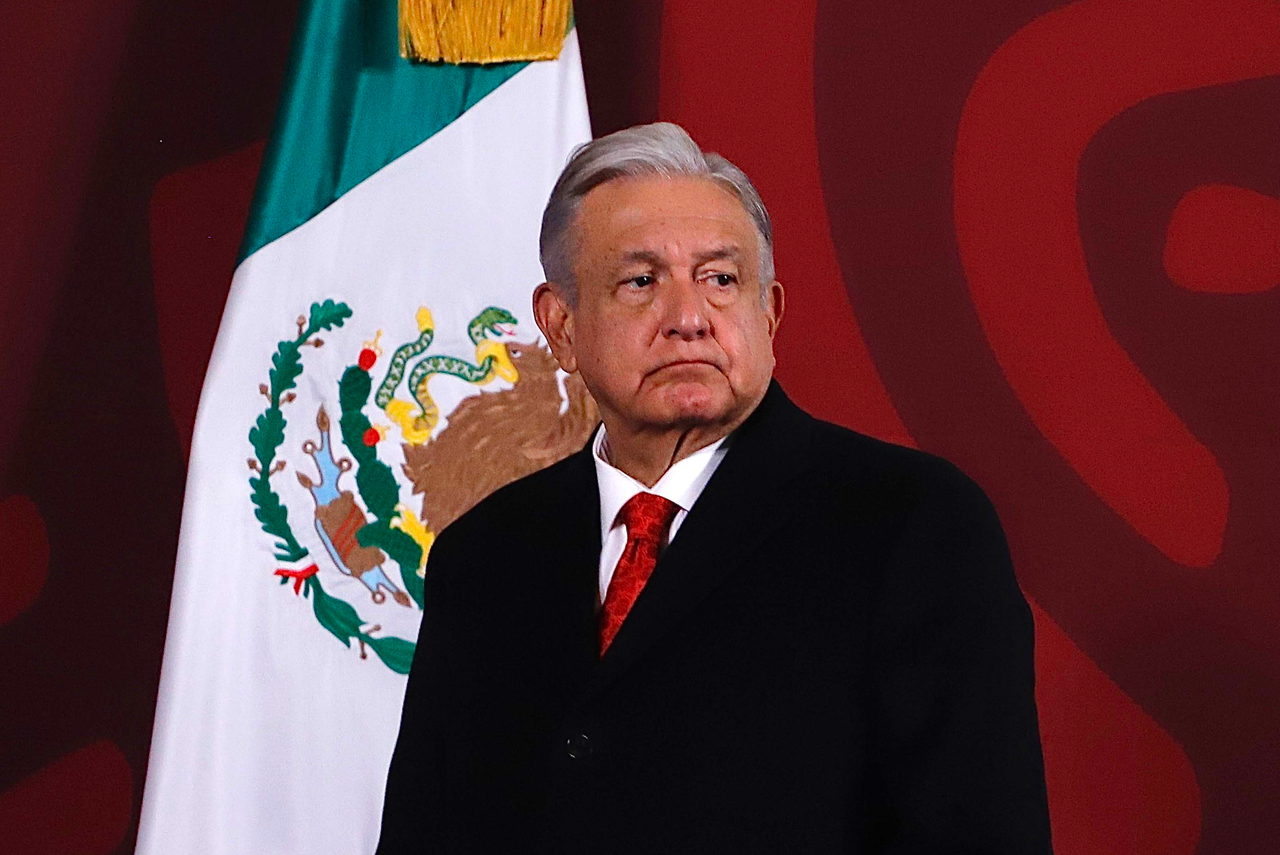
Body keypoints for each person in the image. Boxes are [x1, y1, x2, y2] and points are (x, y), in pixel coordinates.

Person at [376, 122, 1052, 853]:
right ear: (560, 326)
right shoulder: (482, 556)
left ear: (769, 313)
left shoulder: (913, 525)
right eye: (642, 281)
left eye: (721, 279)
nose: (689, 318)